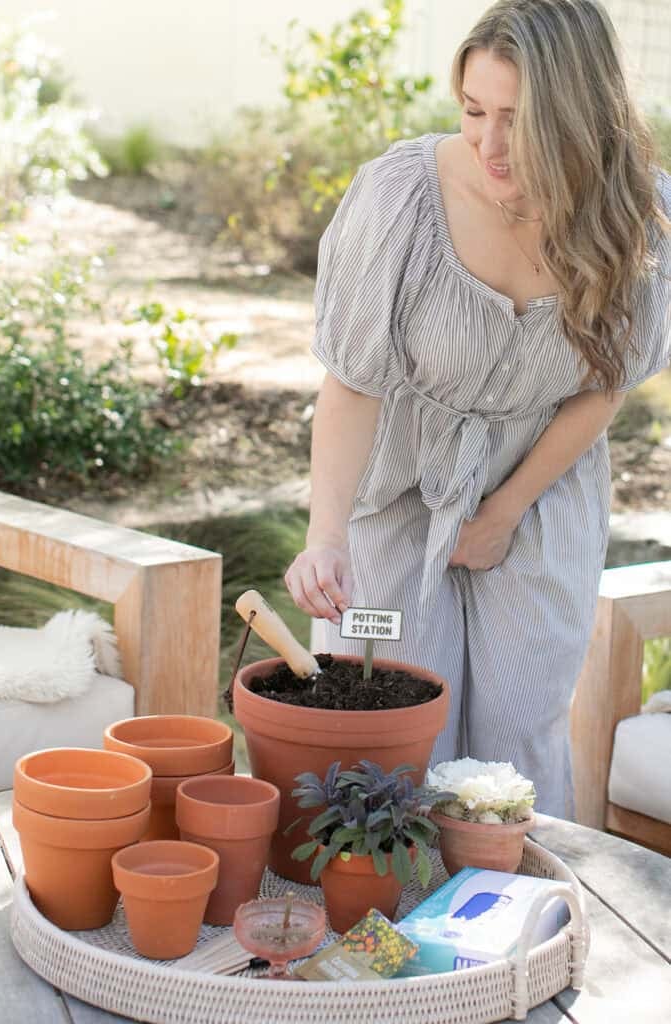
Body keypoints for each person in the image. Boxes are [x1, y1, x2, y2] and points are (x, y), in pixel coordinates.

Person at [284, 0, 670, 818]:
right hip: (397, 485)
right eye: (472, 111)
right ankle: (384, 896)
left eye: (518, 121)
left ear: (581, 117)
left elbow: (603, 384)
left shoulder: (643, 217)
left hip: (544, 488)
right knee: (383, 727)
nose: (489, 146)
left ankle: (516, 897)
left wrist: (504, 512)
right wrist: (326, 536)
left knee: (518, 742)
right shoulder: (399, 197)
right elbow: (353, 383)